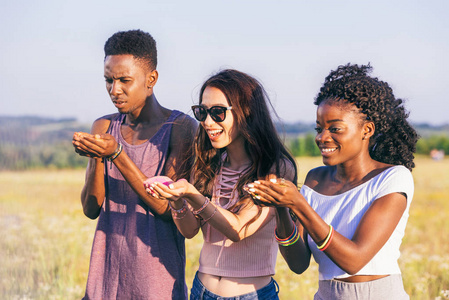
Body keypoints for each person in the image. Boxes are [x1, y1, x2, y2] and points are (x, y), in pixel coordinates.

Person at [246, 63, 418, 299]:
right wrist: (282, 209)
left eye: (335, 129)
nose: (322, 137)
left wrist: (299, 204)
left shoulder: (392, 178)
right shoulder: (316, 179)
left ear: (366, 130)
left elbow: (354, 260)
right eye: (319, 128)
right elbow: (298, 264)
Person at [146, 69, 297, 299]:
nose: (207, 122)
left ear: (246, 112)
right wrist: (177, 200)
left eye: (217, 112)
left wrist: (193, 195)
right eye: (202, 112)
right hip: (201, 291)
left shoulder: (275, 169)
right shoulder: (209, 165)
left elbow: (238, 229)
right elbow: (190, 231)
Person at [72, 29, 197, 300]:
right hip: (104, 283)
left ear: (151, 79)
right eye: (108, 80)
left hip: (156, 285)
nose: (114, 90)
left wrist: (116, 153)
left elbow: (166, 208)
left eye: (124, 80)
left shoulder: (181, 128)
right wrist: (96, 155)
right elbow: (91, 208)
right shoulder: (104, 126)